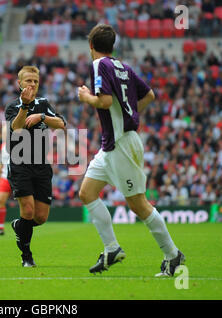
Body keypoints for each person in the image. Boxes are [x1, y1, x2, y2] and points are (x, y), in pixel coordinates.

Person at [77, 24, 185, 277]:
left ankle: (173, 255)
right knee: (87, 192)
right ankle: (111, 248)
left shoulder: (99, 65)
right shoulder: (122, 67)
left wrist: (86, 97)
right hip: (112, 144)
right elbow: (150, 95)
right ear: (112, 45)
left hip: (122, 144)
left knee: (138, 204)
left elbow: (102, 101)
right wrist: (131, 115)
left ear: (91, 45)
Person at [5, 66, 66, 267]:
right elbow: (16, 127)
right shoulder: (13, 106)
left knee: (40, 217)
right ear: (19, 83)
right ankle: (26, 257)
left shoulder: (44, 104)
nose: (32, 84)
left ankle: (19, 226)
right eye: (28, 81)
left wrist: (42, 117)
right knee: (29, 211)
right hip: (20, 164)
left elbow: (61, 123)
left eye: (35, 81)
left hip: (41, 166)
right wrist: (25, 106)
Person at [0, 124, 11, 236]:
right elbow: (3, 162)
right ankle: (0, 227)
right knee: (0, 201)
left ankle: (25, 226)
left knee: (24, 203)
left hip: (18, 177)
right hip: (5, 177)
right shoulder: (3, 146)